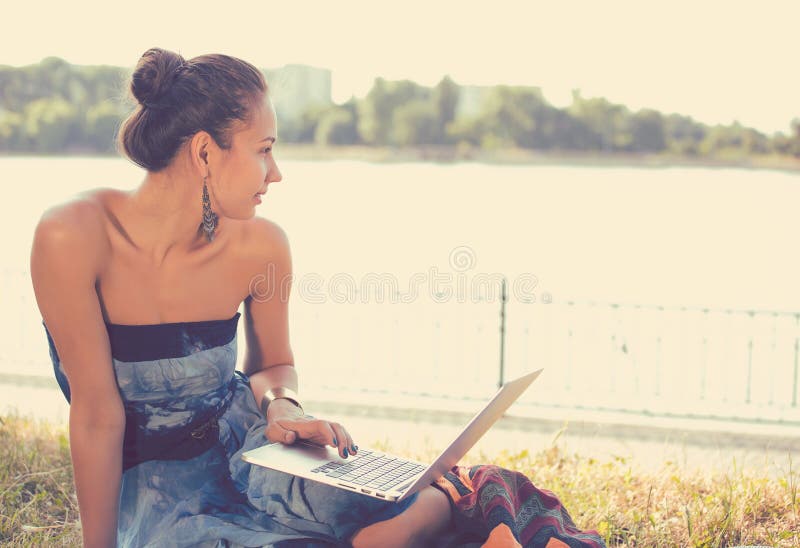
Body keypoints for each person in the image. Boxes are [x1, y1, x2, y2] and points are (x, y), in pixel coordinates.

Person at [31, 48, 604, 548]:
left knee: (388, 533)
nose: (275, 173)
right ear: (205, 153)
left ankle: (459, 498)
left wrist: (284, 407)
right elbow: (98, 415)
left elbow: (272, 366)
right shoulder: (72, 237)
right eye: (264, 150)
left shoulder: (263, 245)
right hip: (156, 485)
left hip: (254, 448)